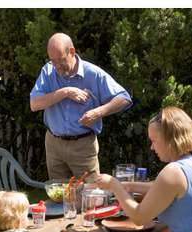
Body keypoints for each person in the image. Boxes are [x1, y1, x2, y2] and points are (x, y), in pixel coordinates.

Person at [30, 32, 132, 180]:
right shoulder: (48, 71)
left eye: (60, 60)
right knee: (58, 196)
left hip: (83, 145)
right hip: (54, 144)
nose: (57, 66)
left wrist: (99, 112)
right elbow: (35, 104)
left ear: (71, 52)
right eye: (52, 61)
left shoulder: (94, 74)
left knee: (90, 195)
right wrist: (65, 92)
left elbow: (124, 98)